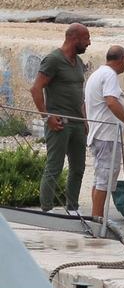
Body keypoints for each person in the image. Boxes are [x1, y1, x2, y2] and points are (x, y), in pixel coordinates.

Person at [30, 23, 91, 215]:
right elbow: (36, 88)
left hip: (77, 124)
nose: (89, 43)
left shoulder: (79, 62)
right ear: (75, 39)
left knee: (78, 168)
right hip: (59, 124)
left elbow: (79, 93)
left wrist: (85, 119)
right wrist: (46, 116)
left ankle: (72, 210)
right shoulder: (54, 59)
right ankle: (46, 210)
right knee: (54, 167)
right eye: (86, 38)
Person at [85, 46, 124, 218]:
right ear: (123, 59)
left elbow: (85, 105)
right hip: (107, 136)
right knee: (104, 179)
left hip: (99, 134)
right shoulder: (109, 75)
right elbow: (111, 102)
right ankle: (98, 221)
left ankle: (97, 218)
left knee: (99, 178)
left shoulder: (97, 74)